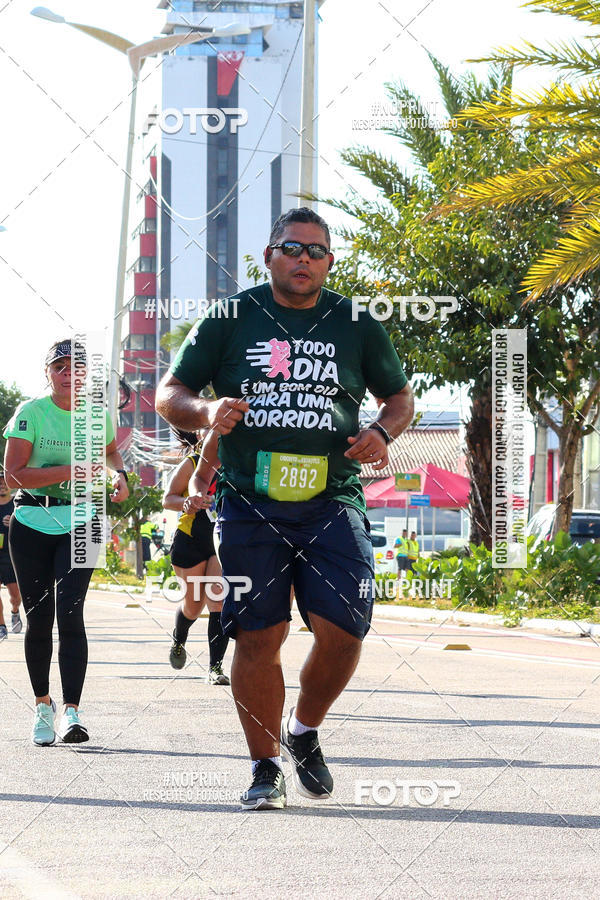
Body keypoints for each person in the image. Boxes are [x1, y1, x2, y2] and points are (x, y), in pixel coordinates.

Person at [156, 207, 413, 810]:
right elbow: (170, 392)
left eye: (316, 251)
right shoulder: (230, 318)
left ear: (329, 261)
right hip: (249, 502)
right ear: (270, 255)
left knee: (345, 630)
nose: (304, 259)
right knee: (259, 635)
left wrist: (382, 431)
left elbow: (399, 398)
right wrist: (205, 411)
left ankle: (303, 730)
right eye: (292, 248)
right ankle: (265, 764)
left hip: (333, 499)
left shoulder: (356, 322)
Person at [3, 339, 129, 746]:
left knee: (71, 613)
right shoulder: (31, 413)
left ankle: (72, 711)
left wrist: (120, 476)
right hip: (32, 522)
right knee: (40, 618)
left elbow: (111, 454)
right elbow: (13, 476)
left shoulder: (97, 416)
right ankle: (43, 706)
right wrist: (70, 470)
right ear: (48, 372)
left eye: (76, 367)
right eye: (60, 367)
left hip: (83, 520)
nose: (68, 374)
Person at [163, 428, 230, 685]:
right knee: (193, 605)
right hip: (190, 539)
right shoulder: (191, 464)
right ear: (200, 436)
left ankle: (215, 667)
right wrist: (187, 502)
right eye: (207, 430)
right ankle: (179, 638)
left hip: (220, 539)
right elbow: (167, 499)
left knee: (218, 598)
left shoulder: (235, 463)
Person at [0, 472, 22, 637]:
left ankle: (15, 611)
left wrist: (15, 521)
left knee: (15, 596)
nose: (2, 485)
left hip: (11, 556)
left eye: (4, 482)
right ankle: (1, 626)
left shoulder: (17, 504)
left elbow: (28, 525)